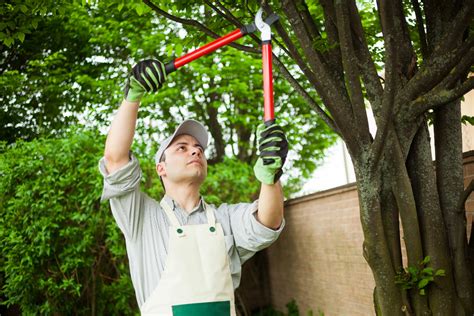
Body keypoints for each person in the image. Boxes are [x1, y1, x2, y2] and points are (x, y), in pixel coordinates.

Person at [99, 59, 289, 315]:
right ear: (161, 168)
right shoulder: (142, 218)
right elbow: (115, 159)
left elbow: (268, 220)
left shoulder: (225, 219)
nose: (195, 151)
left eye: (199, 149)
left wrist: (271, 175)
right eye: (182, 148)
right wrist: (133, 95)